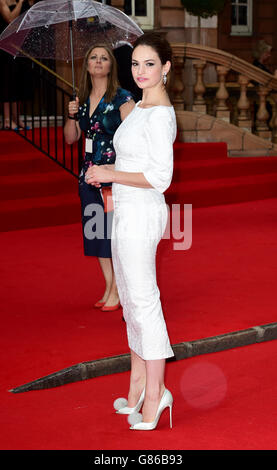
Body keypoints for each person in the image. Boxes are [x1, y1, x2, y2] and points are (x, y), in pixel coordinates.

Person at [85, 32, 177, 430]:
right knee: (131, 303)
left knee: (144, 302)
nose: (140, 71)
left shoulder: (160, 115)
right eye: (136, 63)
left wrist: (110, 172)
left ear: (166, 68)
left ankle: (157, 395)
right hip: (124, 209)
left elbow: (160, 177)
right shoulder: (138, 107)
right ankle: (137, 384)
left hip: (142, 214)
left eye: (149, 64)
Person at [64, 44, 135, 311]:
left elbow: (133, 141)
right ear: (87, 65)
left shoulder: (123, 98)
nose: (98, 61)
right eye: (93, 57)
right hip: (88, 175)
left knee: (112, 234)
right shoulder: (79, 99)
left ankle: (117, 290)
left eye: (104, 58)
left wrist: (116, 169)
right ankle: (109, 286)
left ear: (110, 66)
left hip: (113, 176)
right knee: (96, 233)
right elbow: (71, 139)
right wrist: (71, 115)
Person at [0, 0, 35, 130]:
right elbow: (10, 19)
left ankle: (17, 118)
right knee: (7, 83)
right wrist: (20, 2)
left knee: (17, 83)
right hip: (5, 48)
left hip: (18, 46)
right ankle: (7, 120)